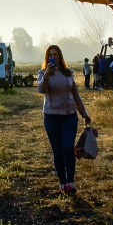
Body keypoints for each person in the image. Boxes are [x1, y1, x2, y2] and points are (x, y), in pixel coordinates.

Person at [36, 44, 91, 194]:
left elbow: (76, 95)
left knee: (68, 147)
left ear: (60, 56)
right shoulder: (42, 73)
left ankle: (71, 182)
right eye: (51, 55)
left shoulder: (68, 73)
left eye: (56, 54)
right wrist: (46, 76)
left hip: (69, 117)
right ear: (48, 58)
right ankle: (62, 183)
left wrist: (84, 114)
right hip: (51, 117)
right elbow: (41, 90)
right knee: (58, 151)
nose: (53, 57)